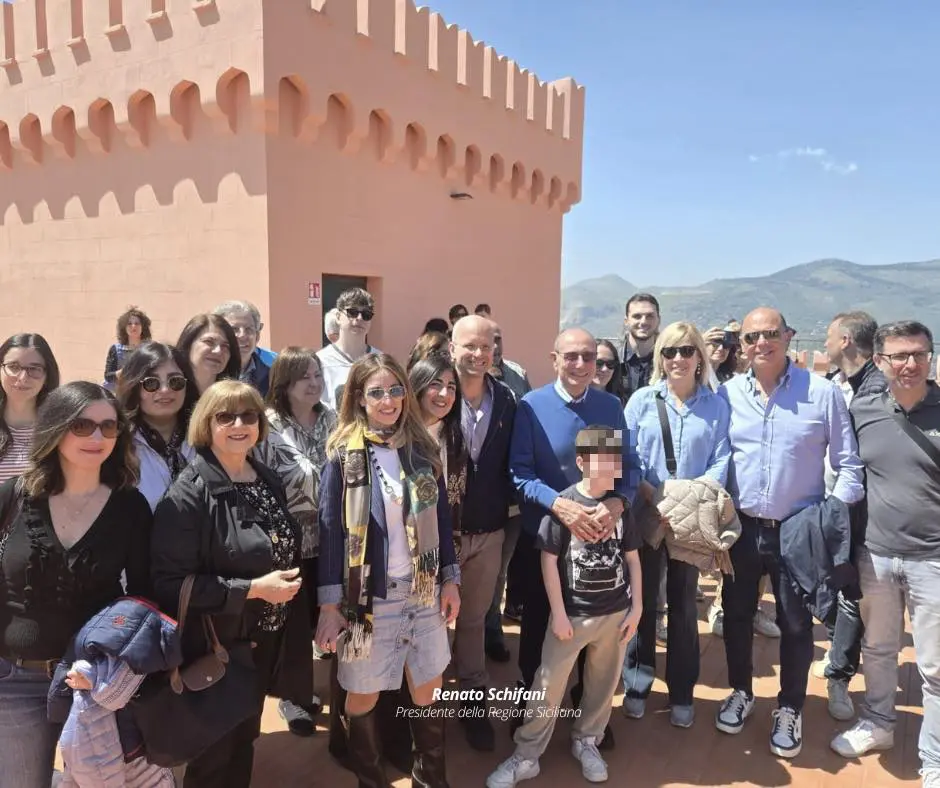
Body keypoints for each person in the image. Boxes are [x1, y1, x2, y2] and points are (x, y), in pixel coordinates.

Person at [715, 307, 864, 759]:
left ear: (788, 336)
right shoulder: (726, 395)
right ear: (741, 345)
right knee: (736, 616)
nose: (761, 343)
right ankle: (741, 691)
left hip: (798, 529)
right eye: (752, 336)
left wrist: (831, 514)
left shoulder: (821, 394)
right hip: (740, 528)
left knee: (796, 625)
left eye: (770, 334)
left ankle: (790, 708)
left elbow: (849, 464)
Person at [150, 380, 313, 788]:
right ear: (207, 424)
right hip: (218, 646)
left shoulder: (265, 477)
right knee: (214, 754)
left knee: (244, 740)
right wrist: (252, 589)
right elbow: (169, 583)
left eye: (249, 415)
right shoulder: (189, 492)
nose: (239, 424)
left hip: (263, 640)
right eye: (226, 416)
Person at [316, 353, 461, 788]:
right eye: (377, 392)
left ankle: (430, 779)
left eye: (395, 390)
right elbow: (329, 536)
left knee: (427, 687)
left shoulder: (419, 451)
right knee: (363, 693)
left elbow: (444, 520)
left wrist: (450, 579)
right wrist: (328, 606)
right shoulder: (342, 459)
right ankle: (370, 780)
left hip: (423, 590)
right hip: (366, 599)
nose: (388, 400)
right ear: (359, 399)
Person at [0, 382, 151, 788]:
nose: (97, 437)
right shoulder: (13, 496)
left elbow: (143, 598)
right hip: (14, 680)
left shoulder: (130, 506)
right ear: (56, 428)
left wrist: (114, 671)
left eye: (108, 426)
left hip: (90, 684)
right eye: (82, 426)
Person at [486, 426, 642, 788]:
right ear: (581, 462)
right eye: (598, 460)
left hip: (616, 615)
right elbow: (548, 562)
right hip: (573, 615)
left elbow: (633, 559)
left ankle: (587, 740)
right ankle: (526, 755)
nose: (606, 467)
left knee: (603, 684)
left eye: (612, 460)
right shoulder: (566, 507)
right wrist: (557, 612)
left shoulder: (620, 509)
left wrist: (637, 609)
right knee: (548, 684)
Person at [509, 327, 639, 750]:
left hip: (600, 540)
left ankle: (588, 712)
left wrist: (618, 502)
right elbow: (520, 474)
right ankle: (533, 704)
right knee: (538, 627)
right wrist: (559, 506)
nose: (583, 365)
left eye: (591, 357)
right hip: (546, 539)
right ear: (554, 358)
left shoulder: (610, 406)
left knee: (595, 631)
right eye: (573, 356)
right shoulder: (531, 406)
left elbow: (630, 468)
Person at [830, 321, 940, 788]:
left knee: (935, 666)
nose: (909, 364)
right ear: (880, 361)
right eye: (898, 355)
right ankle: (878, 725)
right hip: (875, 554)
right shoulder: (863, 408)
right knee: (878, 649)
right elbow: (846, 470)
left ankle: (933, 758)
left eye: (918, 354)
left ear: (931, 357)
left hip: (933, 558)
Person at [620, 322, 730, 729]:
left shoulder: (716, 406)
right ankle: (637, 683)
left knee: (685, 605)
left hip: (690, 518)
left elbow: (722, 457)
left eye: (686, 350)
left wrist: (693, 495)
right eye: (669, 351)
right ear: (659, 358)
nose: (678, 359)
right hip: (648, 512)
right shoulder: (641, 401)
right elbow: (627, 456)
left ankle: (682, 690)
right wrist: (651, 492)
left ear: (700, 355)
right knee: (642, 601)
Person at [255, 347, 338, 734]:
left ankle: (345, 694)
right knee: (295, 624)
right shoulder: (268, 427)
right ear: (284, 383)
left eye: (318, 374)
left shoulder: (333, 420)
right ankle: (296, 698)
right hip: (289, 541)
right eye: (304, 376)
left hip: (335, 537)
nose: (314, 383)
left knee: (333, 615)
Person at [448, 315, 516, 751]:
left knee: (474, 620)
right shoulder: (433, 394)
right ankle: (420, 710)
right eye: (468, 346)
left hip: (489, 531)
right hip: (438, 533)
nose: (477, 354)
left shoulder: (507, 399)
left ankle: (472, 701)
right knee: (427, 623)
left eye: (485, 346)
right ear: (451, 348)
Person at [816, 311, 886, 721]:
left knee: (851, 594)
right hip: (837, 508)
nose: (824, 343)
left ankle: (839, 675)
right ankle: (836, 661)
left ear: (844, 341)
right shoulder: (839, 386)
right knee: (839, 590)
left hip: (862, 514)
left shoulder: (876, 391)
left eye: (827, 335)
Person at [116, 342, 199, 510]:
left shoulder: (205, 438)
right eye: (151, 383)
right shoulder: (117, 444)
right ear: (135, 388)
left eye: (174, 381)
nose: (165, 390)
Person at [0, 333, 60, 483]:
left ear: (47, 375)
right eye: (13, 367)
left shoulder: (59, 428)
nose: (22, 378)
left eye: (34, 369)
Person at [317, 288, 381, 410]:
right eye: (352, 312)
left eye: (366, 315)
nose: (359, 318)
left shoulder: (380, 360)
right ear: (338, 316)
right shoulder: (320, 361)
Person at [214, 300, 273, 397]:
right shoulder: (209, 371)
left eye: (249, 329)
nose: (243, 335)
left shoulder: (271, 377)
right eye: (234, 329)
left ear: (257, 336)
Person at [176, 314, 241, 395]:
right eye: (209, 342)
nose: (218, 351)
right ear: (189, 345)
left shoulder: (234, 399)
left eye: (225, 346)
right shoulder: (171, 392)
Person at [621, 294, 661, 402]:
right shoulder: (611, 361)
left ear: (658, 320)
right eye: (637, 316)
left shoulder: (668, 360)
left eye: (650, 316)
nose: (643, 322)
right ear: (626, 321)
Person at [103, 307, 152, 390]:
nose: (133, 326)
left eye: (137, 323)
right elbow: (108, 376)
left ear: (143, 327)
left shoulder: (150, 349)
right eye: (129, 323)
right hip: (119, 393)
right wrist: (124, 372)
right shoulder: (115, 349)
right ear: (124, 328)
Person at [593, 339, 626, 405]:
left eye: (610, 364)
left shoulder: (618, 402)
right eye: (599, 363)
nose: (604, 369)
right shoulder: (573, 399)